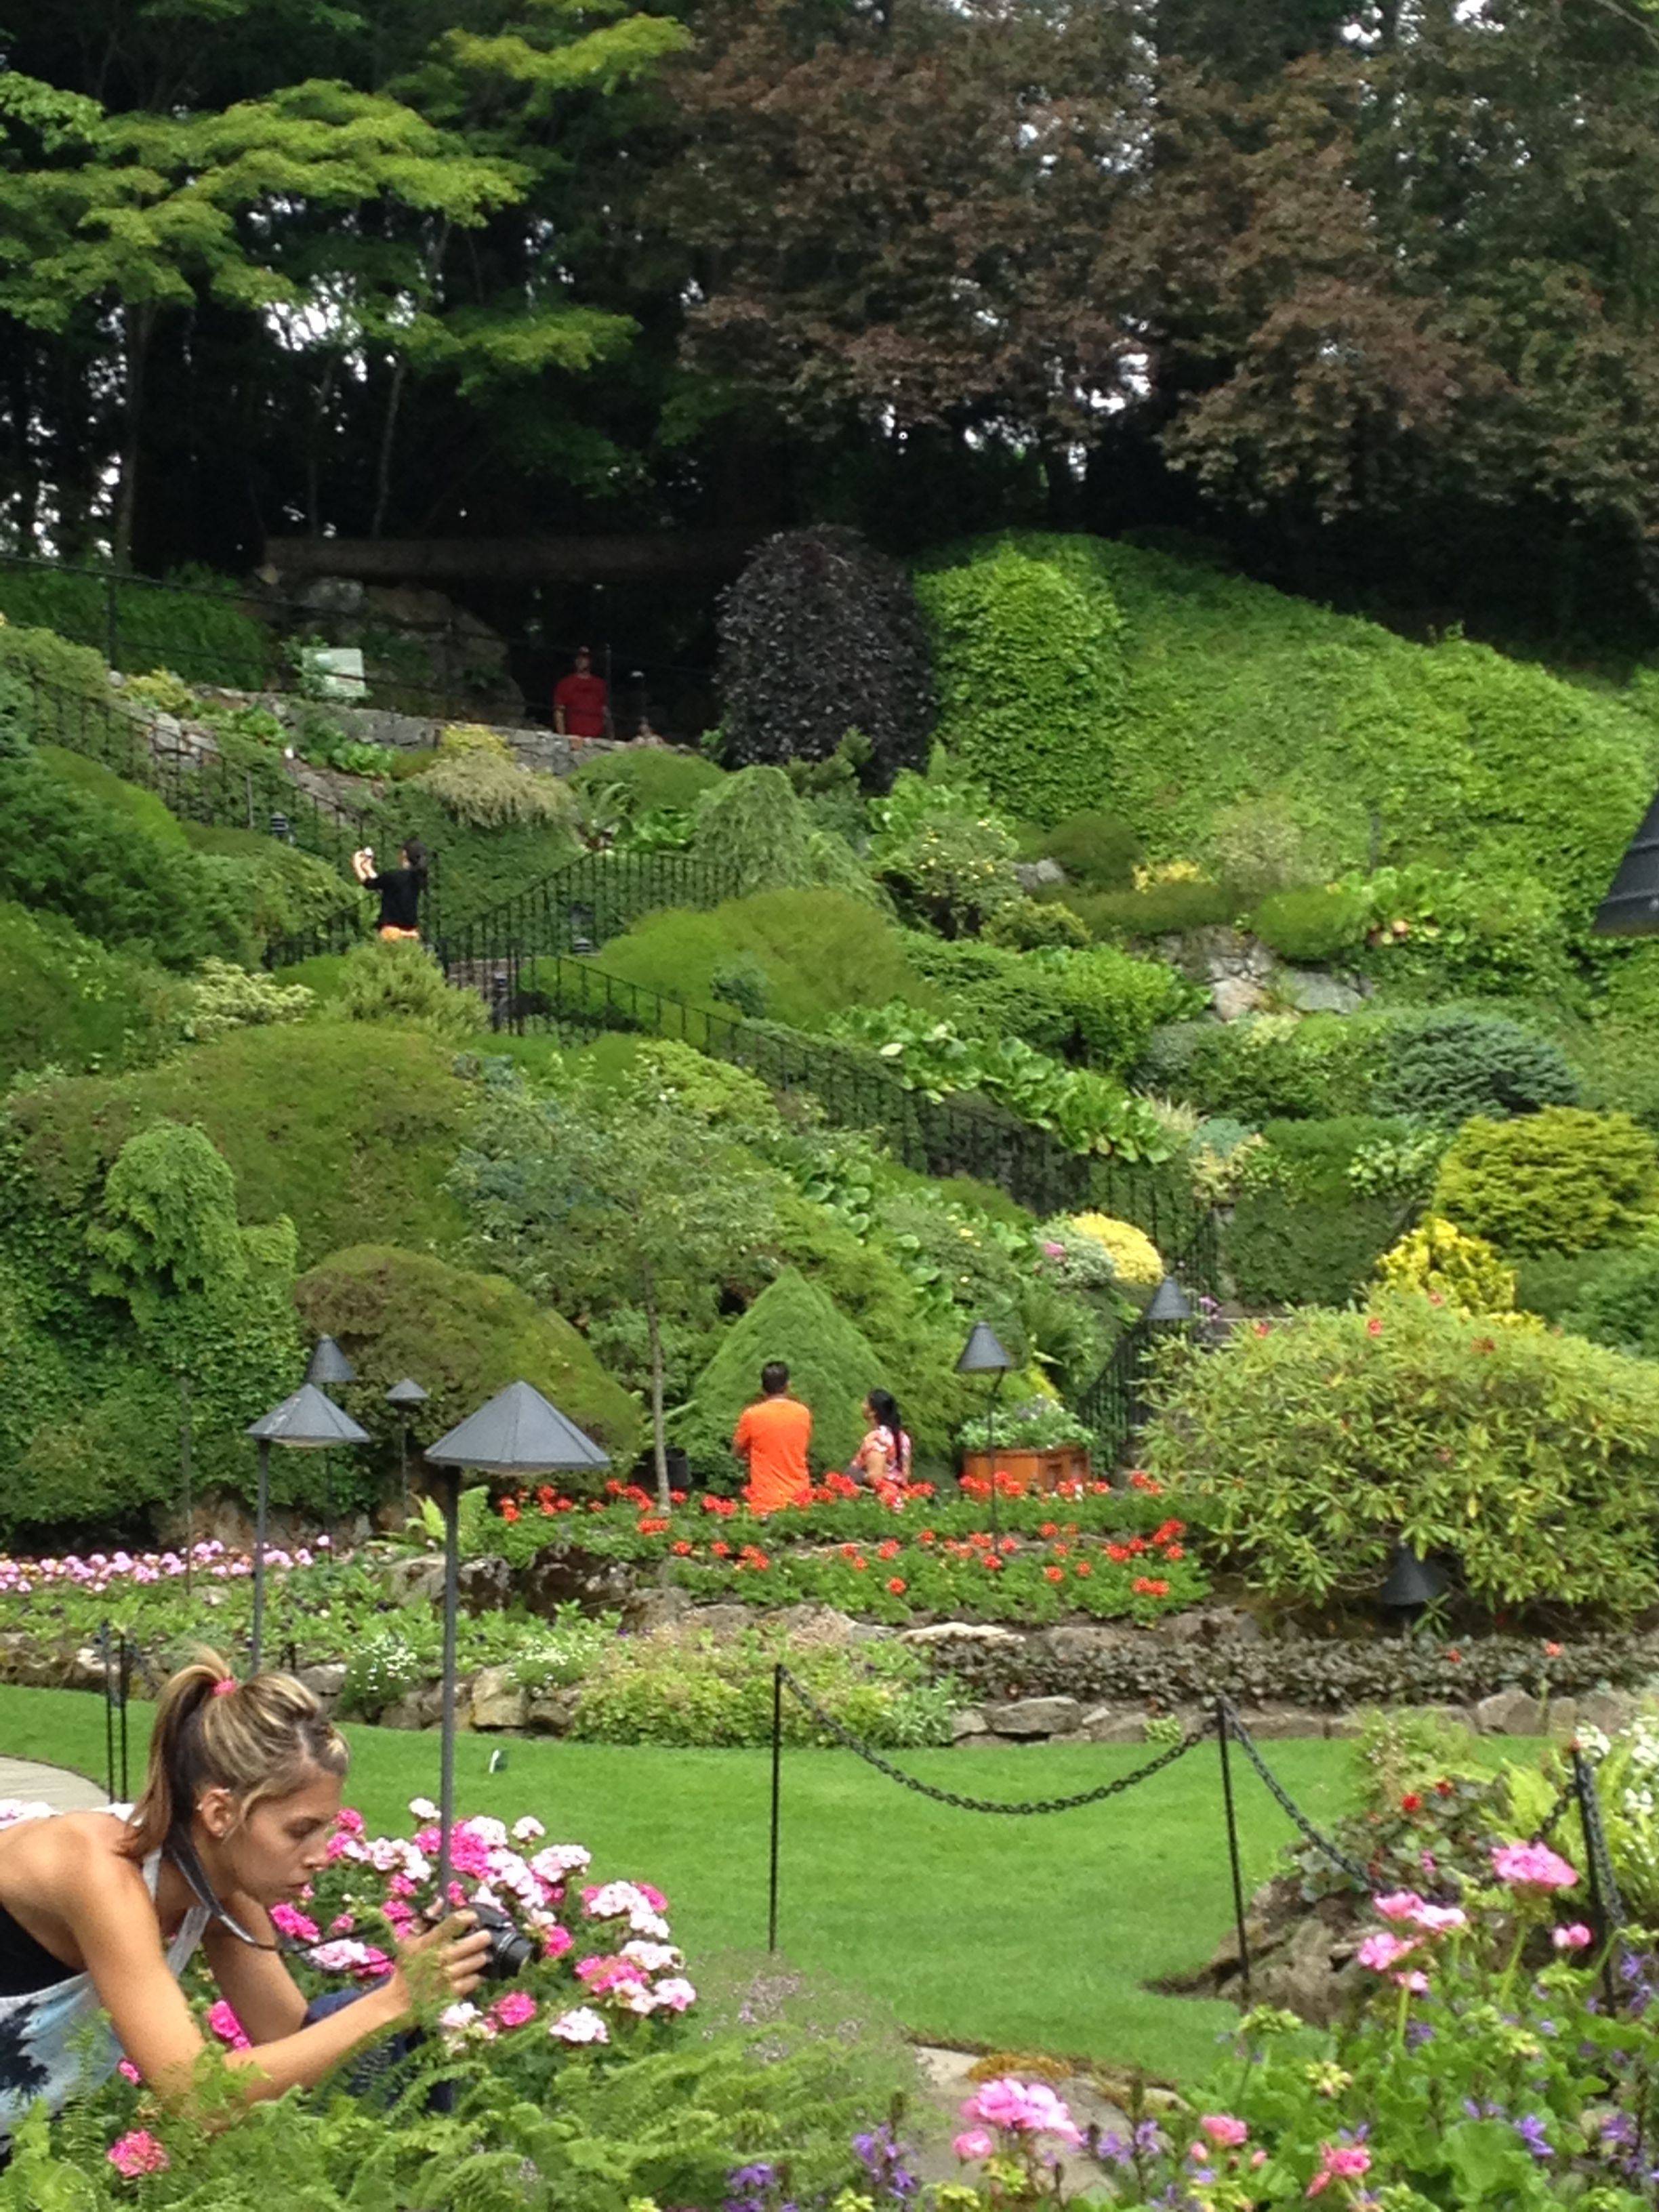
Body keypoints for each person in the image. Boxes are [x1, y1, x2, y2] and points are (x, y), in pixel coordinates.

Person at [0, 1653, 490, 2152]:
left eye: (328, 1829)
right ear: (220, 1812)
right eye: (300, 1830)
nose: (322, 1857)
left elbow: (288, 2040)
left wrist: (415, 1980)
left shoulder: (217, 1892)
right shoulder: (100, 1873)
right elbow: (194, 2097)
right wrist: (393, 2002)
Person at [731, 1361, 813, 1515]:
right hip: (799, 1496)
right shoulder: (803, 1413)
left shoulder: (752, 1415)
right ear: (788, 1384)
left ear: (762, 1387)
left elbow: (736, 1451)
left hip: (766, 1500)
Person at [351, 836, 428, 943]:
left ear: (405, 854)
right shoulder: (418, 879)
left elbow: (369, 884)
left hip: (392, 932)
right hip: (412, 933)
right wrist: (368, 868)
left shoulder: (394, 876)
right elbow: (383, 883)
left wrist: (356, 865)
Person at [849, 1390, 912, 1492]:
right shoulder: (903, 1437)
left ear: (873, 1411)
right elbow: (906, 1473)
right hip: (899, 1497)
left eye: (865, 1403)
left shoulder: (877, 1438)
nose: (862, 1406)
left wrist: (854, 1474)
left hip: (880, 1500)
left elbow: (875, 1478)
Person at [552, 647, 609, 745]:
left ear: (591, 661)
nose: (580, 661)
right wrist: (563, 738)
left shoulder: (600, 684)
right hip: (574, 737)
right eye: (577, 658)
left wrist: (609, 738)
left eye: (584, 658)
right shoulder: (565, 684)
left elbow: (606, 712)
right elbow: (559, 713)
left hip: (597, 739)